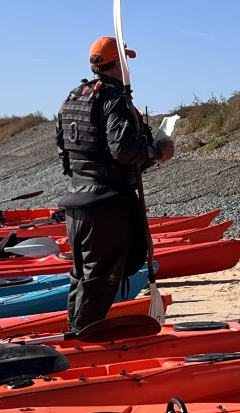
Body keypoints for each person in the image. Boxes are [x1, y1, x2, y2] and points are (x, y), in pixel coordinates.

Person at [54, 35, 174, 335]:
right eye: (125, 61)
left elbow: (63, 151)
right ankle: (83, 345)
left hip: (77, 203)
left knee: (81, 278)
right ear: (117, 64)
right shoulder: (114, 99)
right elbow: (123, 151)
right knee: (100, 282)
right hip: (106, 206)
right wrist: (158, 152)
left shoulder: (72, 97)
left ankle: (74, 334)